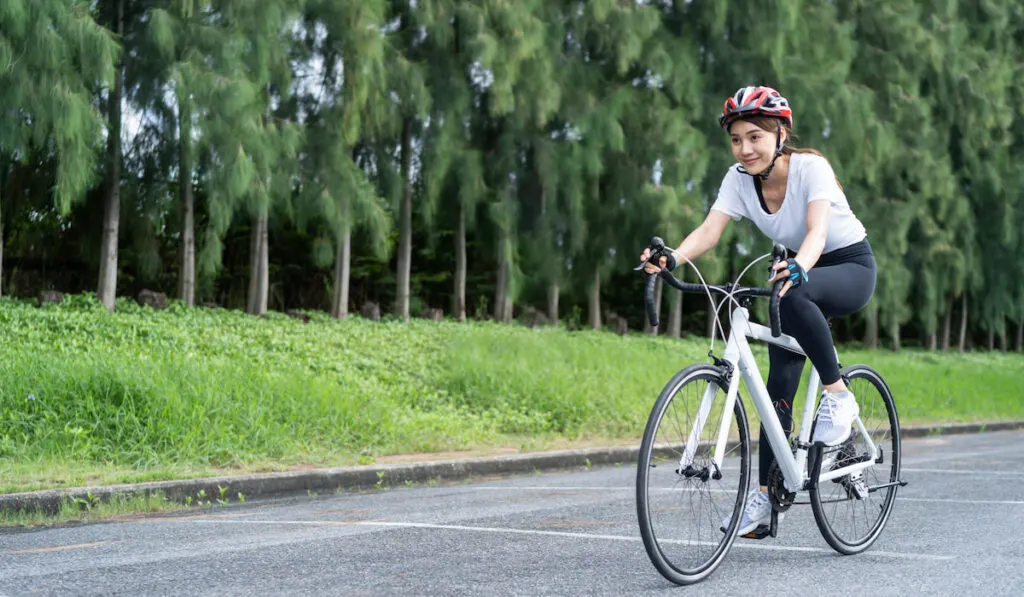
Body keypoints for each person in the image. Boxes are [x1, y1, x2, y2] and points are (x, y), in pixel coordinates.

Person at [639, 85, 877, 537]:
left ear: (780, 134)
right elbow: (710, 231)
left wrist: (801, 267)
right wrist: (672, 256)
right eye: (736, 139)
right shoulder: (737, 179)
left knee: (791, 294)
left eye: (755, 137)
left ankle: (839, 396)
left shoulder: (812, 168)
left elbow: (818, 233)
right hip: (793, 269)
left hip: (845, 265)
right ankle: (769, 499)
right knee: (777, 392)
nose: (744, 149)